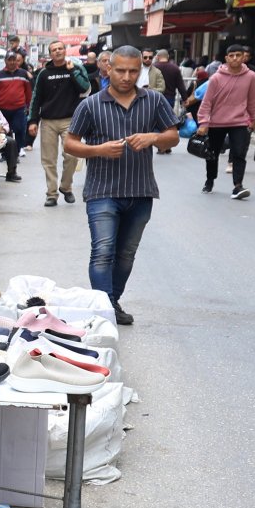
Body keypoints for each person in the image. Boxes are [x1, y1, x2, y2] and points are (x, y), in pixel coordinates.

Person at [63, 46, 178, 325]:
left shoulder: (153, 100)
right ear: (108, 69)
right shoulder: (90, 104)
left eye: (133, 71)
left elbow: (172, 136)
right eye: (121, 70)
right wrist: (98, 149)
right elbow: (70, 143)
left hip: (140, 191)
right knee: (103, 251)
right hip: (102, 192)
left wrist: (152, 138)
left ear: (141, 70)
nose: (127, 76)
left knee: (126, 254)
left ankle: (110, 302)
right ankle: (103, 312)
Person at [29, 41, 91, 206]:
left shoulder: (75, 68)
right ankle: (51, 194)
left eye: (60, 49)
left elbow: (84, 88)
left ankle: (66, 186)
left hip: (70, 120)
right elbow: (36, 98)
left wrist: (72, 72)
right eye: (54, 49)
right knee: (48, 160)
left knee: (72, 156)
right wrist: (33, 120)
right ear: (50, 54)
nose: (57, 51)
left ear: (65, 51)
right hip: (48, 121)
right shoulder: (44, 74)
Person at [192, 44, 255, 199]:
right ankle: (210, 180)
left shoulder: (251, 77)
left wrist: (254, 119)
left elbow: (252, 101)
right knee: (212, 153)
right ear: (226, 58)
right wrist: (203, 122)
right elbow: (207, 102)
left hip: (240, 122)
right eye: (231, 55)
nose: (235, 58)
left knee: (239, 153)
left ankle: (238, 186)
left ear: (244, 57)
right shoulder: (216, 78)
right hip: (216, 122)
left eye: (238, 55)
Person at [0, 51, 33, 182]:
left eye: (14, 60)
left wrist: (28, 105)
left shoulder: (23, 74)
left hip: (19, 108)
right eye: (10, 60)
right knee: (4, 134)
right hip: (2, 110)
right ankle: (5, 154)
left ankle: (16, 153)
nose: (12, 62)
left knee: (20, 131)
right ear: (5, 61)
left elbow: (28, 91)